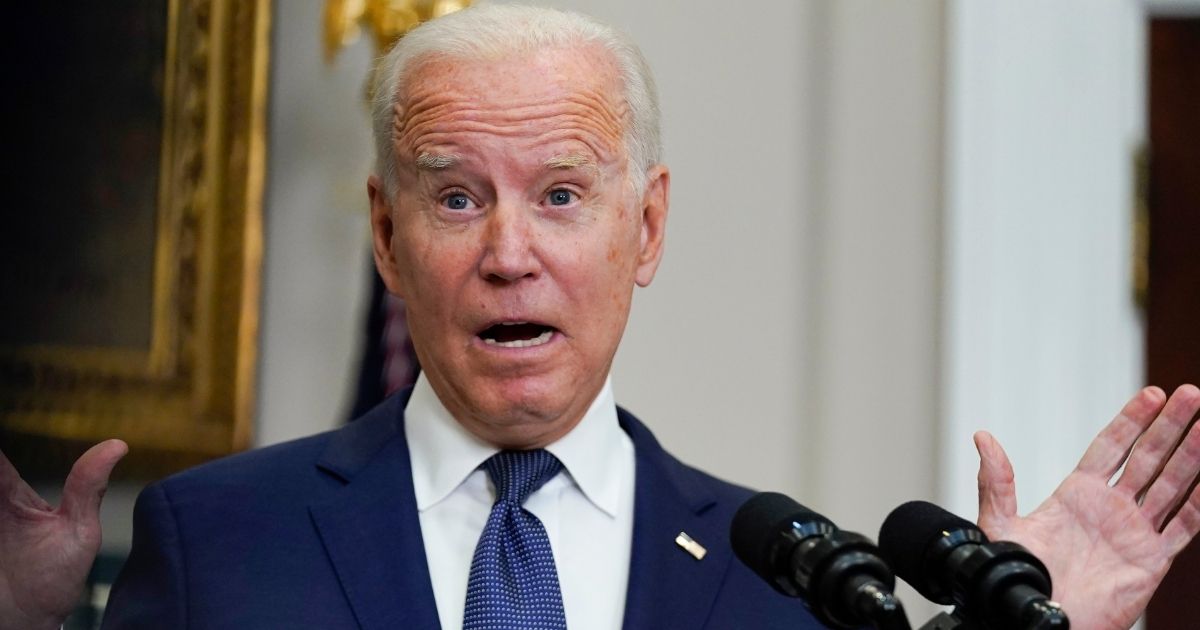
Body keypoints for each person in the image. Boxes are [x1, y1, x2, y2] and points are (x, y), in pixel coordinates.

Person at [2, 5, 1199, 629]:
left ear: (650, 229)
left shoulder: (799, 582)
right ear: (385, 233)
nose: (508, 253)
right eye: (456, 197)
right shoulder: (214, 541)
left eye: (563, 195)